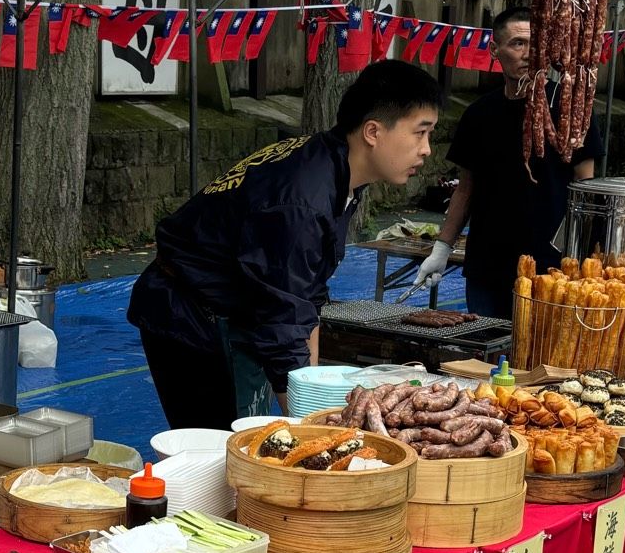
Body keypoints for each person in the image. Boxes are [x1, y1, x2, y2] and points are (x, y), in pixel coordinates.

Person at [128, 59, 440, 428]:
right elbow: (283, 319)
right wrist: (311, 426)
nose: (427, 149)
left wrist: (312, 387)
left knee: (259, 430)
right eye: (420, 133)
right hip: (187, 313)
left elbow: (306, 296)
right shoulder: (303, 198)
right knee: (218, 448)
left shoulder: (338, 172)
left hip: (233, 307)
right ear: (373, 131)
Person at [420, 6, 599, 318]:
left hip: (551, 270)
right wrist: (442, 248)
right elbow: (465, 189)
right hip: (487, 266)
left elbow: (587, 188)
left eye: (535, 44)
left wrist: (580, 257)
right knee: (484, 358)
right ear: (494, 50)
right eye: (517, 43)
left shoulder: (570, 109)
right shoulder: (478, 115)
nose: (528, 53)